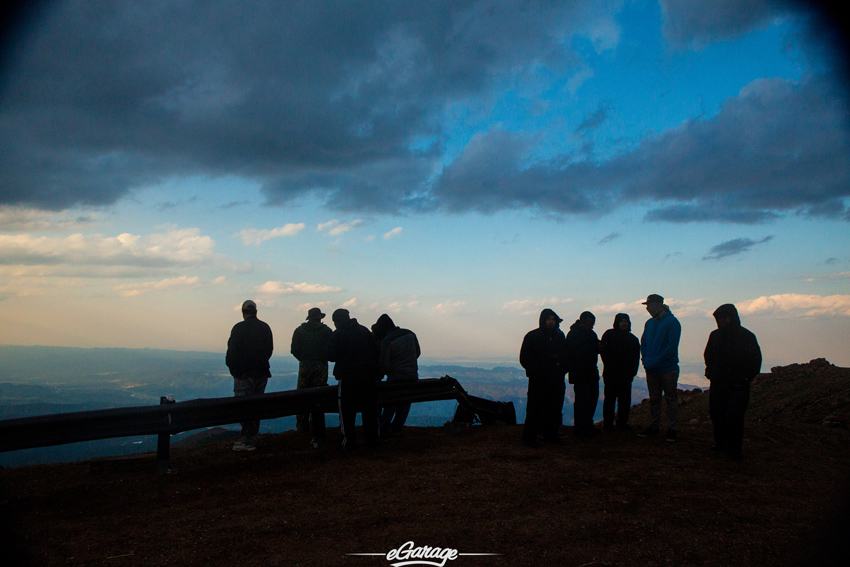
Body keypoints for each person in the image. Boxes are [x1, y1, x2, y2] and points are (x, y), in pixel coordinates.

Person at [704, 304, 762, 461]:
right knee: (717, 414)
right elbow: (708, 354)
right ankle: (721, 443)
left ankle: (735, 448)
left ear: (732, 317)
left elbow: (755, 360)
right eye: (718, 318)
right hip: (718, 383)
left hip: (738, 386)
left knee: (735, 417)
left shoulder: (746, 336)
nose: (720, 321)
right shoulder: (715, 335)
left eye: (723, 318)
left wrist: (745, 377)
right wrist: (711, 371)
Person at [325, 309, 380, 449]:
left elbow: (330, 355)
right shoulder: (364, 331)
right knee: (370, 410)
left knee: (347, 412)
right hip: (368, 376)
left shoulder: (337, 334)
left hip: (348, 378)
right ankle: (372, 441)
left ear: (336, 321)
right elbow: (375, 351)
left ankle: (348, 442)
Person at [225, 300, 274, 452]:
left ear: (243, 312)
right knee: (256, 406)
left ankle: (248, 441)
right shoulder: (265, 327)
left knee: (243, 407)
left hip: (243, 374)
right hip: (261, 372)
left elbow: (231, 353)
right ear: (256, 311)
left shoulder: (239, 328)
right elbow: (269, 350)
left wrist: (235, 370)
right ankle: (251, 438)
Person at [519, 309, 567, 447]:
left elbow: (566, 356)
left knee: (554, 408)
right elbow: (524, 358)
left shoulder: (559, 337)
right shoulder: (533, 336)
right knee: (535, 408)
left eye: (553, 319)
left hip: (556, 380)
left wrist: (562, 369)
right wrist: (536, 371)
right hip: (538, 380)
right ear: (543, 320)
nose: (551, 322)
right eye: (548, 319)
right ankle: (529, 437)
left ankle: (551, 435)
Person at [638, 294, 682, 442]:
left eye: (649, 305)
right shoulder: (649, 323)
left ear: (658, 305)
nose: (648, 308)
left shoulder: (672, 322)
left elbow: (671, 347)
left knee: (670, 398)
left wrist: (652, 361)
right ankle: (654, 426)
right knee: (655, 399)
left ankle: (671, 429)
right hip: (652, 368)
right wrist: (645, 359)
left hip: (667, 368)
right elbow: (643, 343)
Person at [290, 307, 334, 449]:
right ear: (320, 318)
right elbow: (331, 349)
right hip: (321, 366)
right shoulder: (327, 331)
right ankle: (317, 430)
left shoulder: (299, 331)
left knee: (302, 396)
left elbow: (294, 350)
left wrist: (304, 359)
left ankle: (302, 428)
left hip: (305, 366)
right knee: (318, 398)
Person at [371, 314, 421, 438]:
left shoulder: (387, 340)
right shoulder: (410, 334)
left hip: (396, 378)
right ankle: (397, 427)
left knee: (390, 402)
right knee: (405, 402)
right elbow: (418, 352)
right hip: (412, 377)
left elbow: (384, 364)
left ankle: (384, 428)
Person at [600, 313, 641, 431]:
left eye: (626, 321)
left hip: (625, 375)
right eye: (621, 321)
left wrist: (632, 373)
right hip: (611, 374)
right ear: (617, 323)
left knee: (624, 400)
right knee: (610, 400)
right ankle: (608, 423)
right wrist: (608, 366)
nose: (624, 324)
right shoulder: (609, 335)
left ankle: (622, 422)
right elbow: (603, 352)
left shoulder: (633, 339)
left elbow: (635, 358)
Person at [565, 311, 601, 437]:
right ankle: (580, 427)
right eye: (590, 323)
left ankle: (587, 424)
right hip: (580, 373)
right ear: (584, 321)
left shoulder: (590, 334)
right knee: (582, 400)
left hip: (590, 372)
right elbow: (573, 353)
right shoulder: (573, 334)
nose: (592, 325)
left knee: (592, 399)